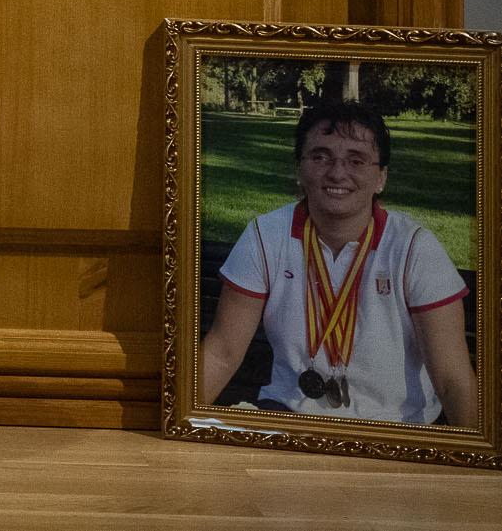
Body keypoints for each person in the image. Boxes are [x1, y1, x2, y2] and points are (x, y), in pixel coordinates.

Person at [198, 99, 478, 427]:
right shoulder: (266, 234)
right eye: (320, 156)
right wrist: (175, 424)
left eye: (356, 160)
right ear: (299, 169)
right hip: (289, 419)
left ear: (381, 178)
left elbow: (452, 379)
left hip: (396, 431)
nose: (337, 172)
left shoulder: (415, 248)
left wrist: (478, 464)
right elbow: (222, 352)